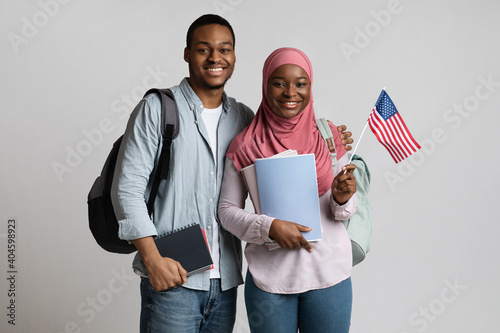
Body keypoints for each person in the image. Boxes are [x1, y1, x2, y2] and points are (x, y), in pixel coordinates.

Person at [111, 14, 353, 333]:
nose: (215, 58)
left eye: (224, 49)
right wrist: (153, 261)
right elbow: (126, 190)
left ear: (234, 56)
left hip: (224, 281)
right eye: (203, 49)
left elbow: (289, 151)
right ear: (187, 53)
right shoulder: (158, 109)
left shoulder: (242, 118)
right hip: (174, 274)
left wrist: (336, 160)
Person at [218, 47, 358, 332]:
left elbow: (344, 212)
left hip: (329, 275)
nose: (290, 92)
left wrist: (343, 198)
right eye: (279, 82)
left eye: (300, 83)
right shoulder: (244, 145)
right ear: (265, 84)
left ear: (310, 87)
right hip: (270, 281)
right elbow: (226, 211)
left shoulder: (329, 136)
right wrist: (269, 227)